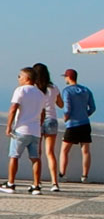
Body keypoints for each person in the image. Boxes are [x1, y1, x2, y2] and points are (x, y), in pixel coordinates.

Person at [0, 65, 52, 194]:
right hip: (35, 131)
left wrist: (8, 127)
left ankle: (10, 183)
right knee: (35, 158)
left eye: (20, 76)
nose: (18, 79)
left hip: (21, 130)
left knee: (14, 156)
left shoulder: (20, 90)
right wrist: (38, 125)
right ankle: (36, 186)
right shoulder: (40, 93)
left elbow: (13, 109)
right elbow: (43, 113)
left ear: (27, 78)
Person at [59, 68, 94, 184]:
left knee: (64, 150)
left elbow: (67, 108)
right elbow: (92, 107)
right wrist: (85, 114)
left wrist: (66, 118)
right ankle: (85, 176)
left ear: (68, 77)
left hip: (72, 124)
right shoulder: (86, 90)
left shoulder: (67, 91)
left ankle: (62, 174)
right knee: (85, 151)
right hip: (85, 123)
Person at [34, 63, 64, 192]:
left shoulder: (34, 88)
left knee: (38, 153)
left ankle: (38, 182)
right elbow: (61, 104)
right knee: (50, 153)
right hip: (51, 120)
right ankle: (54, 183)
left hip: (38, 121)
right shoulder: (54, 87)